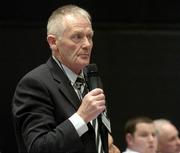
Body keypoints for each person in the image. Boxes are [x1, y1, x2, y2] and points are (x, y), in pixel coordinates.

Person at [11, 4, 120, 153]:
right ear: (53, 42)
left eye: (90, 36)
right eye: (77, 37)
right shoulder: (34, 84)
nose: (87, 44)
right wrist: (81, 117)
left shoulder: (91, 81)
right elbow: (38, 147)